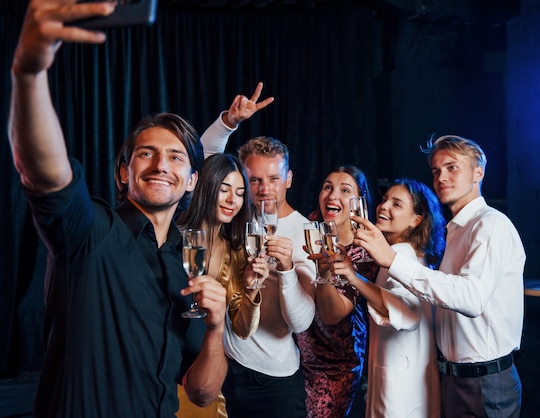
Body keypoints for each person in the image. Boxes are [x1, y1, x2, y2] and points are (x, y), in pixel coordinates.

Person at [7, 2, 227, 416]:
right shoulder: (88, 232)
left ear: (193, 181)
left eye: (178, 157)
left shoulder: (188, 264)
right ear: (123, 172)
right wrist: (29, 74)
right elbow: (44, 171)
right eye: (147, 153)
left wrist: (216, 330)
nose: (162, 164)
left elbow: (201, 393)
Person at [353, 135, 526, 417]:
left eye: (452, 167)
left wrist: (392, 260)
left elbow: (471, 299)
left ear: (478, 172)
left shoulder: (491, 224)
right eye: (436, 171)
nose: (442, 177)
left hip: (484, 381)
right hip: (452, 377)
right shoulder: (455, 232)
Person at [200, 129, 316, 417]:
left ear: (288, 178)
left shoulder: (306, 232)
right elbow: (204, 166)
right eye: (255, 180)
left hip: (273, 380)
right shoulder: (235, 215)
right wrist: (227, 124)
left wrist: (287, 269)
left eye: (274, 179)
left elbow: (301, 323)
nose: (265, 189)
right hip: (225, 369)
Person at [332, 178, 445, 417]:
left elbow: (408, 314)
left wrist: (354, 278)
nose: (384, 207)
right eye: (384, 200)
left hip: (401, 387)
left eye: (396, 204)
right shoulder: (406, 254)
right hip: (406, 376)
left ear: (416, 219)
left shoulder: (401, 256)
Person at [176, 153, 271, 418]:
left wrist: (252, 289)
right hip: (165, 369)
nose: (233, 200)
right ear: (206, 187)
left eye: (240, 193)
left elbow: (242, 329)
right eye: (224, 189)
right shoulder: (174, 238)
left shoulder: (235, 250)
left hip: (206, 370)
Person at [295, 165, 379, 417]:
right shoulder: (309, 226)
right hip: (295, 355)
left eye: (345, 190)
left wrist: (324, 270)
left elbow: (333, 315)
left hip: (335, 364)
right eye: (328, 187)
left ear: (358, 202)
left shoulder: (364, 250)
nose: (333, 195)